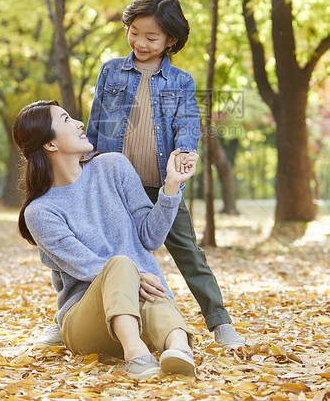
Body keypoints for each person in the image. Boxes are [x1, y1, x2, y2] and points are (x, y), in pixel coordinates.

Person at [35, 0, 246, 351]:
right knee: (84, 245)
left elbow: (188, 125)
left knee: (188, 252)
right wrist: (87, 166)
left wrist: (183, 154)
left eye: (152, 36)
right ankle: (65, 315)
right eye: (135, 32)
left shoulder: (181, 82)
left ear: (171, 40)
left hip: (159, 185)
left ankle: (220, 321)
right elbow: (97, 121)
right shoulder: (111, 71)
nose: (141, 42)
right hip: (113, 182)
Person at [15, 100, 200, 379]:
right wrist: (135, 275)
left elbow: (149, 237)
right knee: (121, 264)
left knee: (155, 293)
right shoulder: (40, 211)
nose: (79, 123)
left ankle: (178, 350)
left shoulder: (113, 167)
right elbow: (87, 266)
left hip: (143, 306)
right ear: (50, 144)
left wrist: (171, 186)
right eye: (66, 120)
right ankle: (136, 355)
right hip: (86, 323)